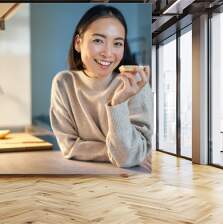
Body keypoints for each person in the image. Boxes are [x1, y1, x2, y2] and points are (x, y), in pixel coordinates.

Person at [49, 5, 153, 168]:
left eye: (117, 43)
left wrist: (118, 103)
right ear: (78, 43)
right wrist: (123, 153)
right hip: (82, 179)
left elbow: (130, 156)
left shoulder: (136, 85)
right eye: (98, 40)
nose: (108, 53)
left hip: (130, 182)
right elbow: (69, 147)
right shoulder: (64, 83)